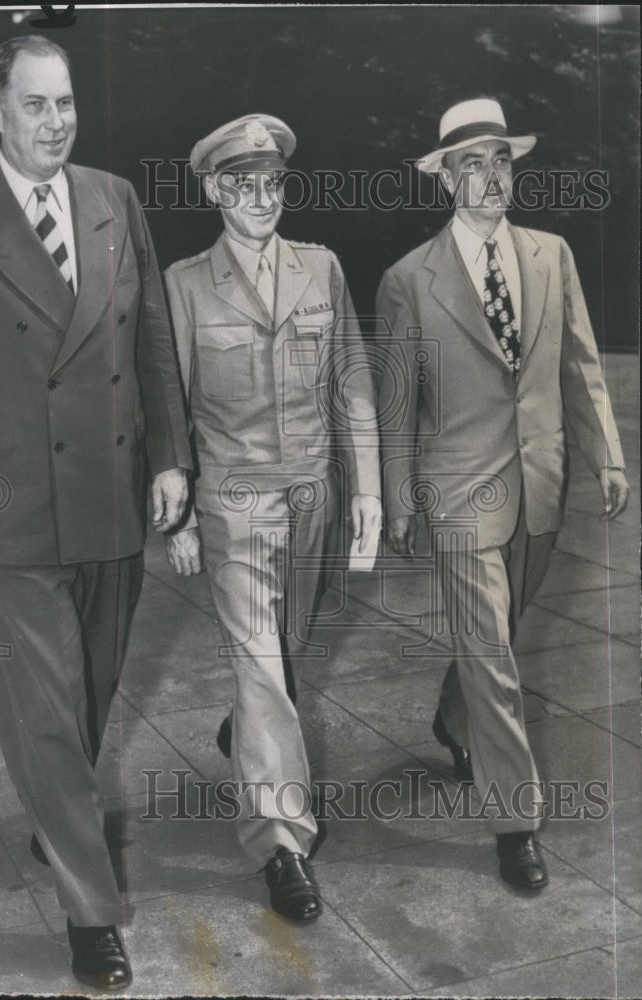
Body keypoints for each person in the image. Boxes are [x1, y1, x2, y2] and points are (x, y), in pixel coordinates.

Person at [0, 35, 191, 991]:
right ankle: (90, 913)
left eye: (65, 103)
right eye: (35, 105)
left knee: (88, 696)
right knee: (47, 715)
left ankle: (54, 811)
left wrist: (171, 457)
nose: (56, 122)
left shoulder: (114, 199)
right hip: (7, 505)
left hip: (110, 494)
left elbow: (152, 340)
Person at [376, 98, 629, 890]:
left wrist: (607, 457)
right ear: (444, 177)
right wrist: (397, 496)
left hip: (541, 481)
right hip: (458, 493)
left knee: (498, 638)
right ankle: (515, 824)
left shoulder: (551, 255)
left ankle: (454, 717)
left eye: (500, 161)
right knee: (491, 656)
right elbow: (395, 403)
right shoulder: (408, 281)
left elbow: (579, 364)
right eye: (471, 164)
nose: (489, 177)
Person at [162, 114, 381, 922]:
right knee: (259, 662)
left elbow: (352, 382)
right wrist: (179, 518)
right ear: (214, 190)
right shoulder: (185, 284)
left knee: (281, 655)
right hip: (234, 502)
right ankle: (280, 842)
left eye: (272, 182)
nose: (260, 197)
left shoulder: (320, 268)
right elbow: (170, 406)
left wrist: (368, 491)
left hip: (314, 496)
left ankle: (247, 730)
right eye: (241, 183)